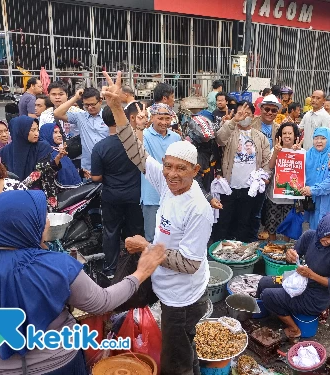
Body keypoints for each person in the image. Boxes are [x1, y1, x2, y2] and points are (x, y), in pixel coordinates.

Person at [0, 189, 165, 374]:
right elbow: (102, 302)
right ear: (27, 224)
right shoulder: (57, 266)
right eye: (42, 216)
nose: (47, 220)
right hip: (57, 364)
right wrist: (141, 272)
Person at [102, 71, 214, 375]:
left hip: (183, 298)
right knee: (183, 349)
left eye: (181, 169)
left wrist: (145, 247)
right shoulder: (166, 182)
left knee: (174, 362)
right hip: (167, 288)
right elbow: (137, 153)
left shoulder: (199, 209)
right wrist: (116, 109)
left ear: (195, 170)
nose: (172, 174)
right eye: (168, 166)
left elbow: (190, 263)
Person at [256, 213, 330, 340]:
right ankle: (266, 310)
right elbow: (293, 254)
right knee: (264, 282)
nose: (329, 241)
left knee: (267, 295)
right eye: (327, 236)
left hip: (315, 297)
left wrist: (312, 275)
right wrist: (290, 255)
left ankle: (295, 329)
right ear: (321, 229)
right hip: (301, 282)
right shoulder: (310, 236)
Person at [91, 105, 144, 277]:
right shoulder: (134, 144)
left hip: (111, 196)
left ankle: (111, 269)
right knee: (135, 231)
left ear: (105, 122)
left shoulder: (100, 147)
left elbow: (96, 177)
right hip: (134, 196)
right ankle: (135, 266)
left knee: (111, 232)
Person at [212, 102, 270, 242]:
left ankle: (241, 253)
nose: (244, 116)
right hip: (229, 187)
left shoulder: (259, 137)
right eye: (241, 113)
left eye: (248, 113)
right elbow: (219, 138)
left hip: (249, 188)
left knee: (244, 222)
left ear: (253, 116)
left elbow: (266, 160)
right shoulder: (230, 132)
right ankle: (219, 251)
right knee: (224, 221)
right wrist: (233, 121)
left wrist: (265, 176)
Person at [138, 103, 182, 243]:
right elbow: (138, 152)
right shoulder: (144, 135)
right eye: (160, 118)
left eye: (167, 118)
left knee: (171, 235)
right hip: (151, 195)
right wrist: (139, 127)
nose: (164, 122)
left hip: (172, 194)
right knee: (151, 237)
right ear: (152, 118)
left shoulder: (176, 137)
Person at [301, 127, 330, 230]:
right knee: (314, 233)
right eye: (316, 138)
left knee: (328, 235)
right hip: (313, 202)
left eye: (323, 138)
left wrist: (312, 190)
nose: (318, 141)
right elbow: (298, 170)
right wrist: (295, 152)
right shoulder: (309, 154)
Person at [54, 87, 109, 171]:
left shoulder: (108, 116)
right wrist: (75, 98)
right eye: (86, 105)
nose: (90, 107)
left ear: (100, 102)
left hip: (107, 164)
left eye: (93, 104)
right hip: (88, 168)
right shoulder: (80, 116)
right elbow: (57, 113)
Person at [263, 122, 302, 241]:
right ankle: (272, 248)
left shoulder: (301, 151)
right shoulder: (274, 149)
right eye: (284, 133)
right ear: (279, 136)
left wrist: (298, 153)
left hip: (291, 197)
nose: (287, 136)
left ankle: (286, 249)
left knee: (288, 226)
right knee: (271, 225)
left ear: (295, 136)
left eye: (290, 133)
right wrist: (275, 152)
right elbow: (270, 166)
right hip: (274, 196)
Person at [0, 116, 60, 181]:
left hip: (38, 189)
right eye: (32, 130)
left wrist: (21, 186)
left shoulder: (42, 147)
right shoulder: (5, 151)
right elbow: (6, 175)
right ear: (21, 131)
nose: (37, 134)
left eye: (37, 130)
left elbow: (39, 172)